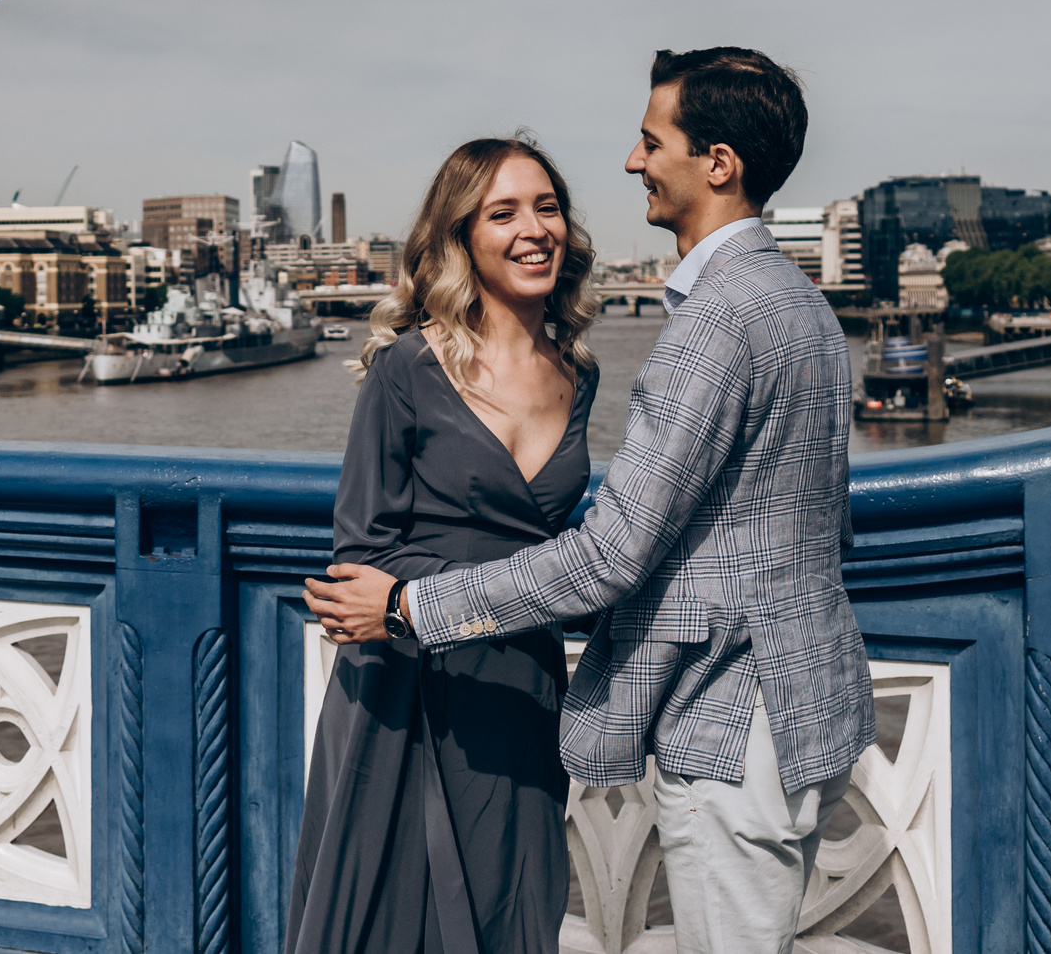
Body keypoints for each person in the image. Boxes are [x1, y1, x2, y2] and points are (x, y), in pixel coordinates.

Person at [308, 48, 873, 954]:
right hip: (788, 704)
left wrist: (413, 605)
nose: (631, 162)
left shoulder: (709, 324)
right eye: (502, 212)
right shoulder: (802, 305)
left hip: (720, 716)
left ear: (716, 164)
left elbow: (611, 554)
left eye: (652, 142)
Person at [285, 136, 602, 954]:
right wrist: (463, 598)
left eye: (547, 206)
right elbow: (361, 552)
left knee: (514, 907)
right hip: (410, 691)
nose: (535, 229)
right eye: (503, 213)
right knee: (397, 921)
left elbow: (571, 542)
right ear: (462, 238)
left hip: (524, 689)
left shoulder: (578, 371)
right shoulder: (406, 370)